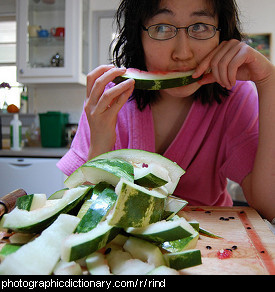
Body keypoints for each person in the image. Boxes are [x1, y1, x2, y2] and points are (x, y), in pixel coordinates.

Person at [57, 0, 275, 221]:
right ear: (138, 36)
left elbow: (270, 205)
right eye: (161, 28)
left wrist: (269, 81)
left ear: (222, 34)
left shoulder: (234, 96)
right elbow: (81, 215)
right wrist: (100, 143)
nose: (183, 53)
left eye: (200, 26)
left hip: (214, 245)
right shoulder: (109, 97)